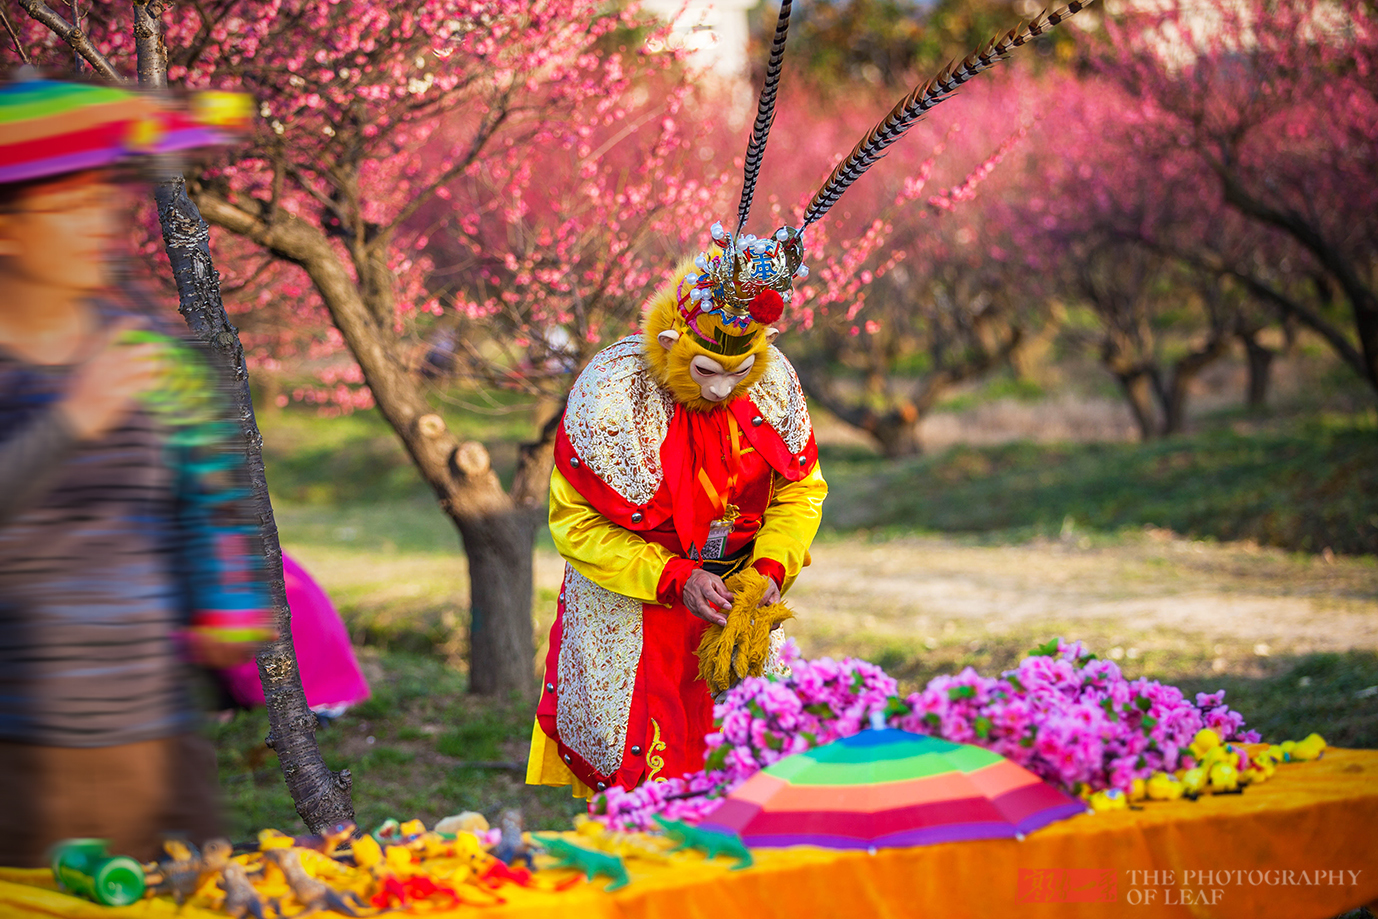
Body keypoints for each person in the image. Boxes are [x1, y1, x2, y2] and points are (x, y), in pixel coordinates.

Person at [0, 77, 269, 866]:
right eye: (71, 207)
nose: (101, 226)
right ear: (8, 232)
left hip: (152, 736)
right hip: (20, 745)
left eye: (105, 202)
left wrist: (220, 596)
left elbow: (204, 485)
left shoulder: (143, 340)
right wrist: (71, 421)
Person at [525, 223, 828, 796]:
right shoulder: (613, 392)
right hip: (635, 610)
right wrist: (672, 577)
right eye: (706, 371)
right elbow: (577, 523)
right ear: (671, 347)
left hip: (737, 602)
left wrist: (770, 568)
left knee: (746, 771)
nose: (722, 390)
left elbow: (800, 489)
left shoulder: (772, 386)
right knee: (642, 781)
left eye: (740, 372)